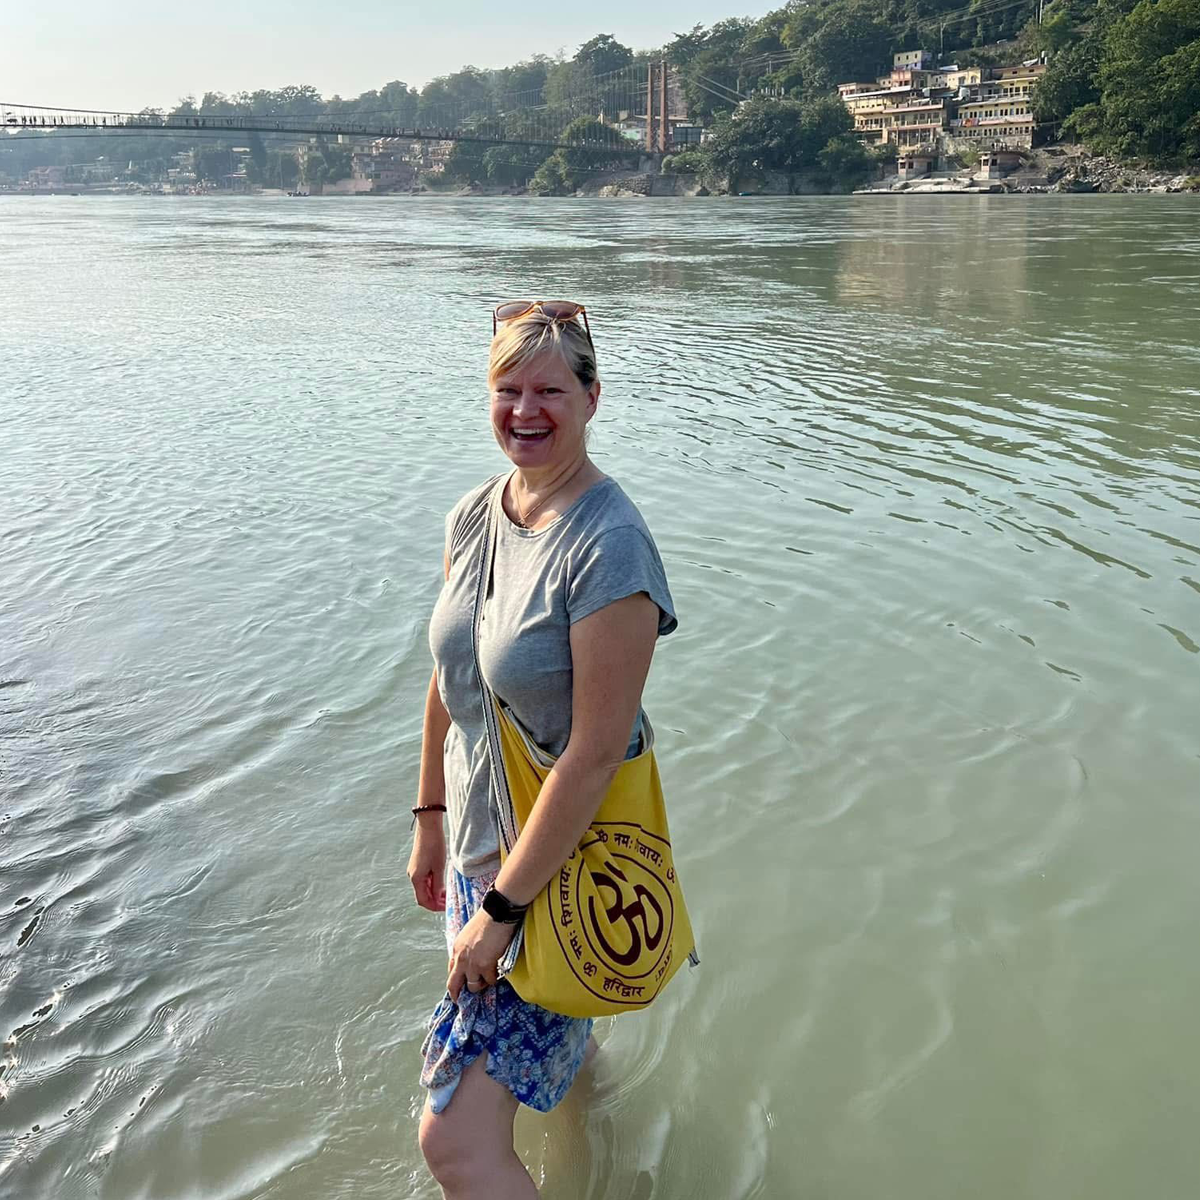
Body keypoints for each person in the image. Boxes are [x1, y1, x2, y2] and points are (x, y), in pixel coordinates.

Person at [409, 301, 678, 1198]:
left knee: (453, 1145)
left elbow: (595, 754)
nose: (526, 410)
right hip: (478, 851)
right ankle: (598, 1128)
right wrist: (429, 817)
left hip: (548, 872)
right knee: (558, 1052)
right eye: (509, 389)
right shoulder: (474, 515)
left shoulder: (610, 546)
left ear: (593, 398)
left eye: (551, 391)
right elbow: (451, 675)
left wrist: (502, 911)